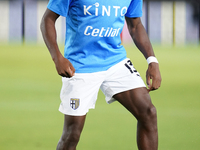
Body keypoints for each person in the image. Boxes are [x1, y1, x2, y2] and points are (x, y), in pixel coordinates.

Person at [40, 0, 161, 149]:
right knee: (72, 133)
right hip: (80, 66)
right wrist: (57, 57)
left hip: (115, 62)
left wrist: (152, 60)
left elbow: (135, 25)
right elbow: (48, 19)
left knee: (148, 112)